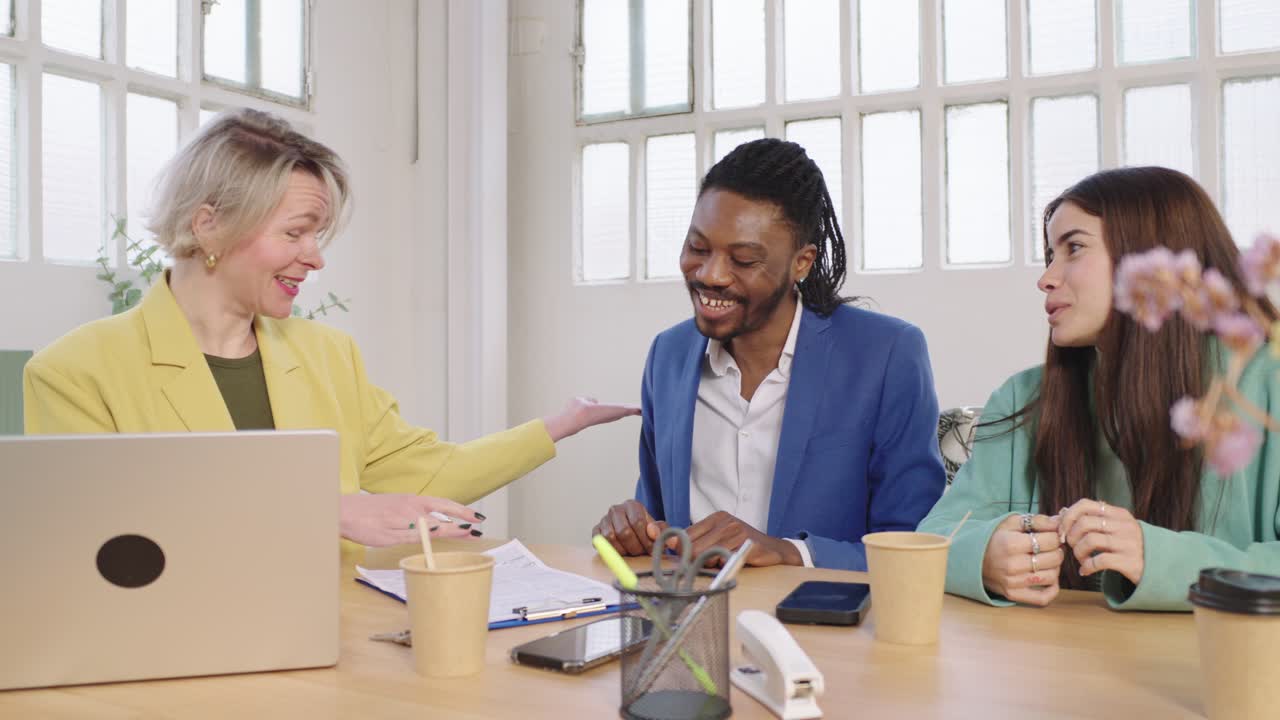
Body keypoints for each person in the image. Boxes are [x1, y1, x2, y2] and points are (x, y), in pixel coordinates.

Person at [23, 108, 638, 548]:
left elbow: (421, 473)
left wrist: (561, 424)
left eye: (317, 235)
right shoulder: (75, 373)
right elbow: (101, 544)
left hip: (328, 636)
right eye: (294, 233)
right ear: (208, 225)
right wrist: (325, 512)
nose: (316, 257)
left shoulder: (327, 355)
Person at [918, 166, 1280, 611]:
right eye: (1050, 254)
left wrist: (1159, 559)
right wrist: (984, 557)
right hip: (1046, 669)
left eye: (1074, 248)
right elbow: (934, 538)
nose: (1046, 278)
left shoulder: (1269, 383)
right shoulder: (1024, 399)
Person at [592, 138, 945, 570]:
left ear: (802, 262)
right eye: (698, 248)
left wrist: (787, 551)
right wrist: (634, 530)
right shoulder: (669, 355)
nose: (710, 275)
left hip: (823, 629)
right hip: (693, 624)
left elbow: (917, 546)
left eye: (743, 259)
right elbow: (661, 523)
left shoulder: (887, 355)